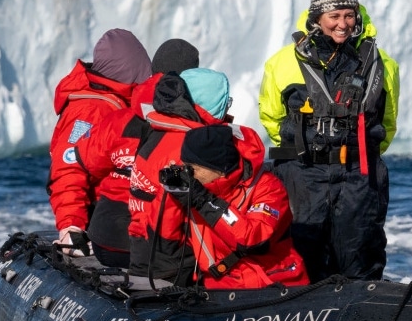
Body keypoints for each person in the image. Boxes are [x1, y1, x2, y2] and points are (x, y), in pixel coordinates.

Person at [259, 0, 400, 281]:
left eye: (349, 15)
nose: (343, 24)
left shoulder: (383, 64)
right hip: (302, 174)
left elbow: (388, 122)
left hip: (358, 176)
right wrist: (306, 149)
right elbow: (271, 117)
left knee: (360, 256)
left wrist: (354, 155)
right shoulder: (281, 63)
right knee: (300, 257)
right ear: (317, 18)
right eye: (334, 16)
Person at [66, 39, 201, 266]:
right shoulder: (192, 131)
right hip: (151, 249)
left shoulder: (118, 120)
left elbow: (88, 161)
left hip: (104, 239)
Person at [158, 125, 308, 288]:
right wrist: (171, 195)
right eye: (184, 166)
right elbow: (167, 242)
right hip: (218, 286)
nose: (188, 175)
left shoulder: (267, 187)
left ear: (220, 170)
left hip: (274, 282)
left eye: (193, 169)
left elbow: (252, 239)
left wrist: (204, 200)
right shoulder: (194, 192)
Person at [48, 28, 152, 256]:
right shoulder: (90, 110)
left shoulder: (117, 102)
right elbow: (68, 168)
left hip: (121, 215)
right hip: (101, 218)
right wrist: (70, 226)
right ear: (131, 70)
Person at [127, 68, 235, 285]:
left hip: (140, 243)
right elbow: (168, 209)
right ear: (213, 106)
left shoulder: (159, 129)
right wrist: (173, 253)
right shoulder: (188, 149)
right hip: (169, 260)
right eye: (226, 103)